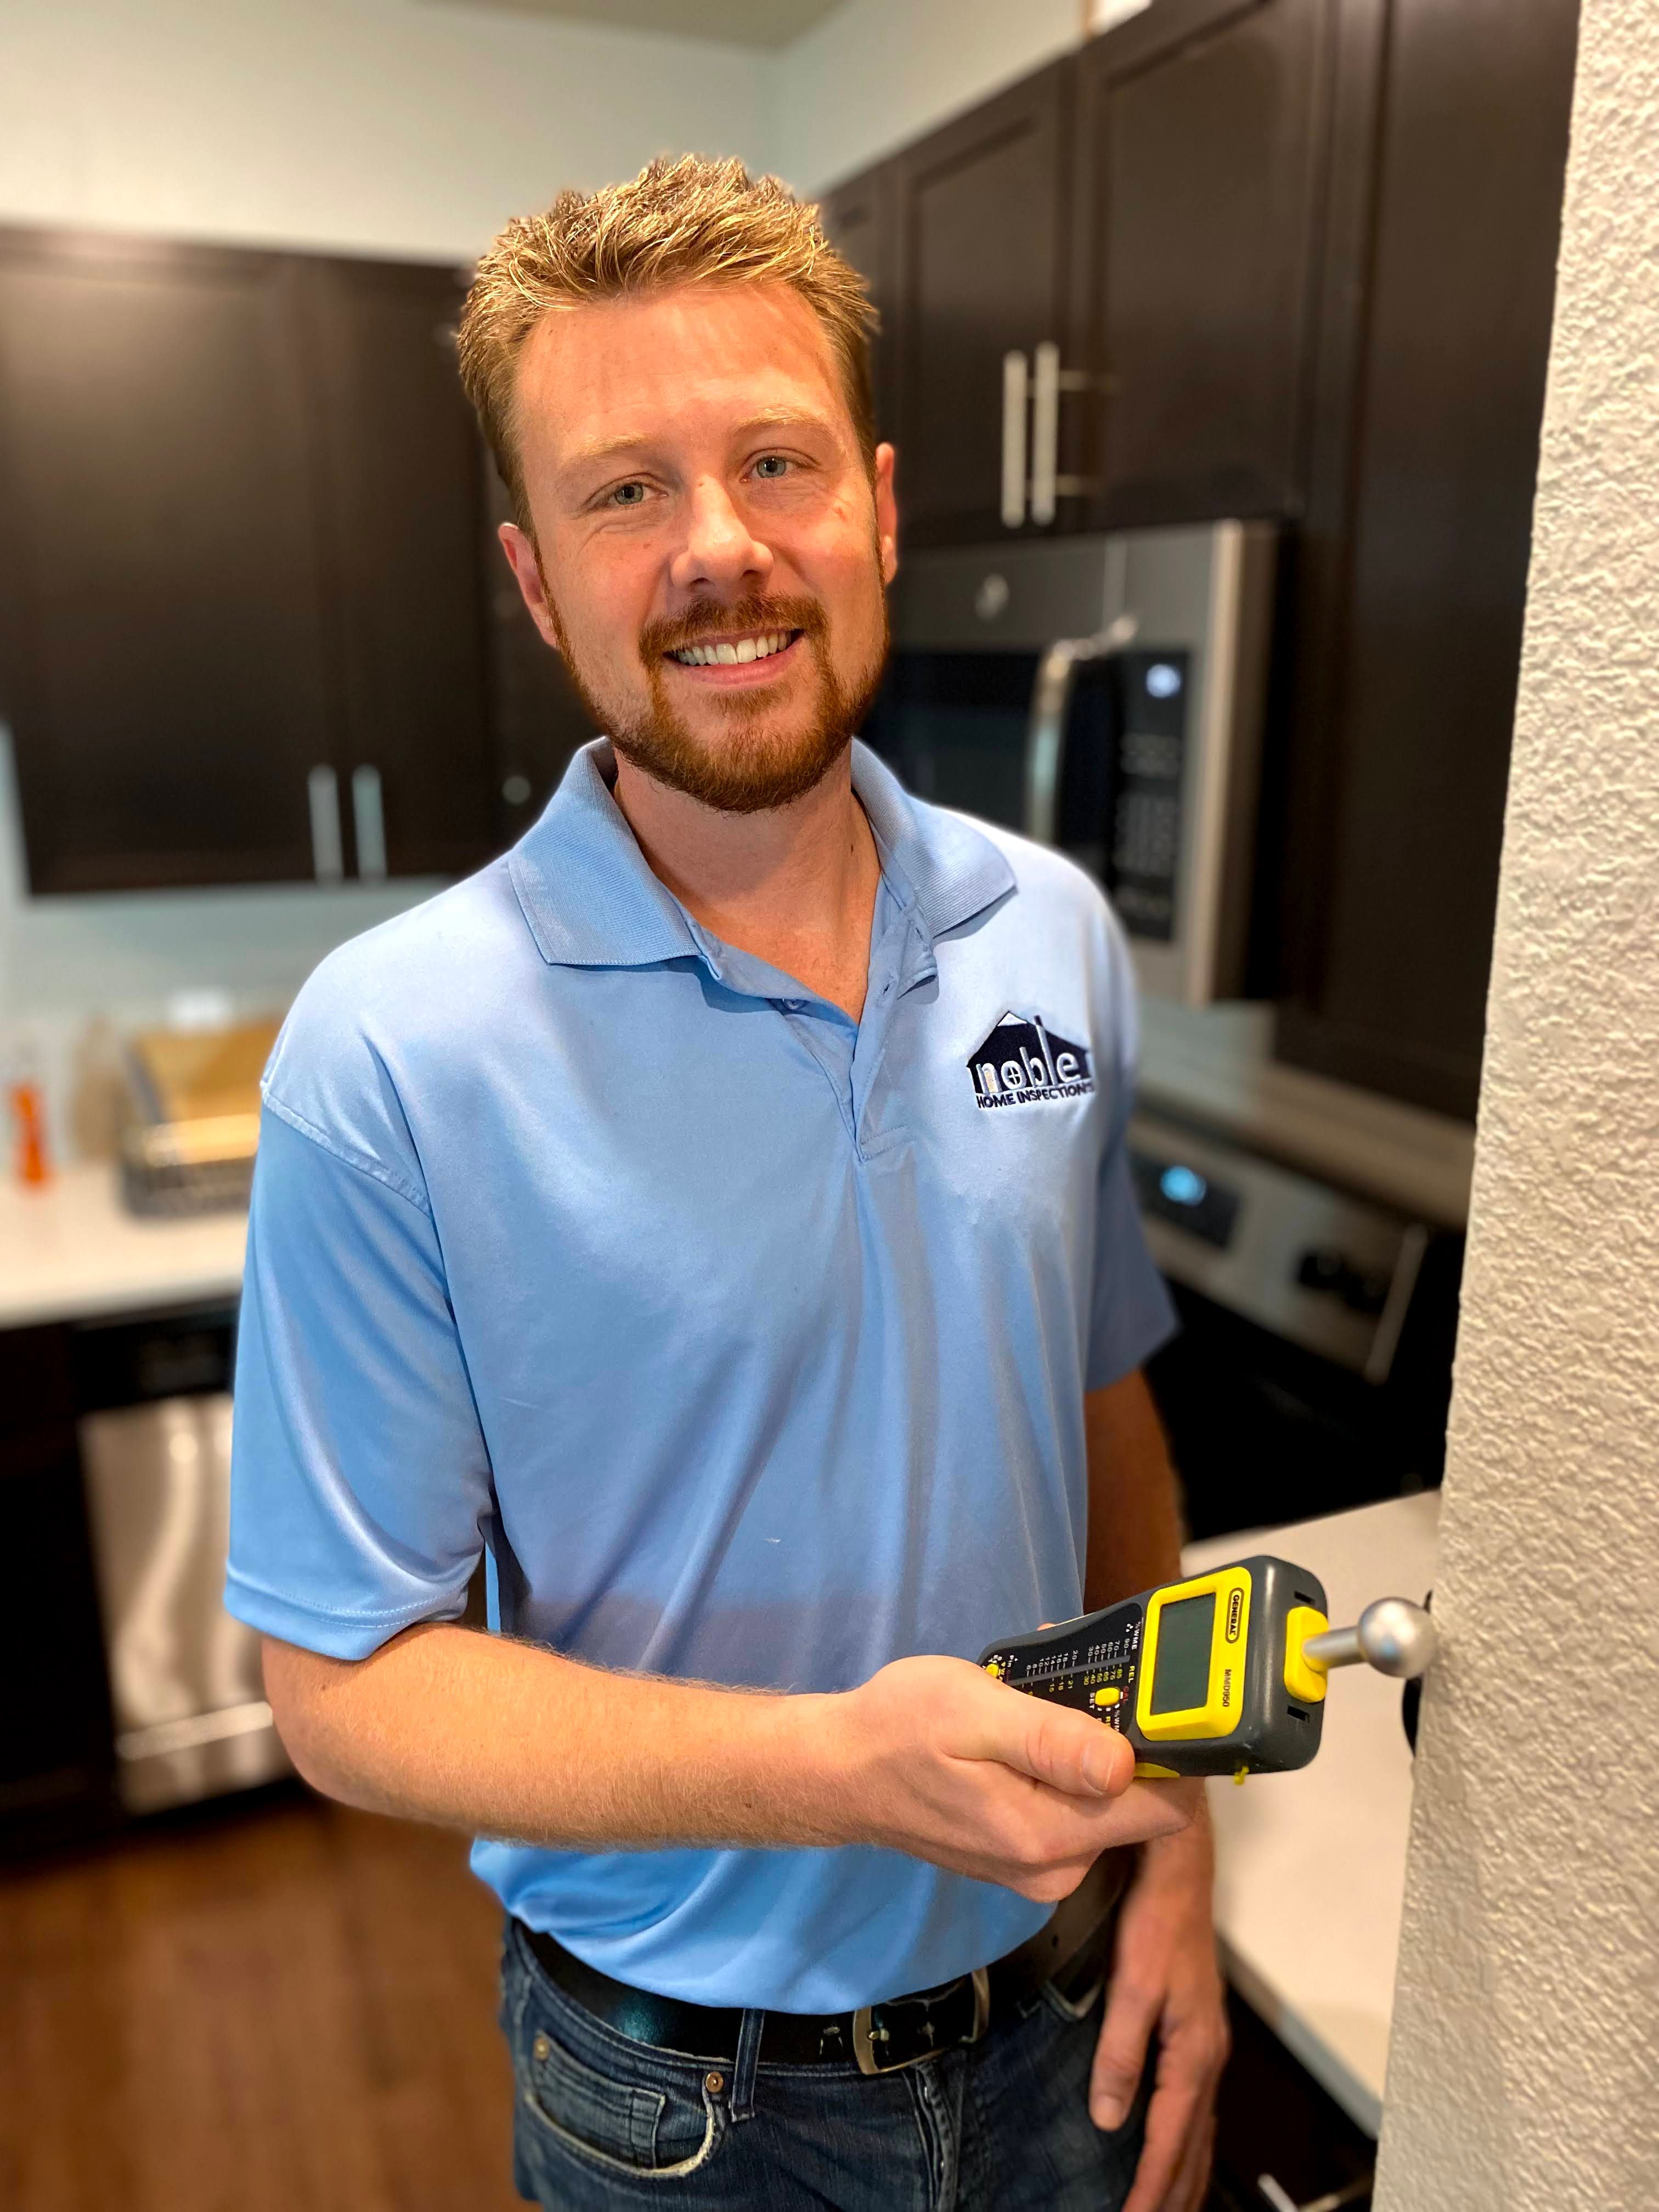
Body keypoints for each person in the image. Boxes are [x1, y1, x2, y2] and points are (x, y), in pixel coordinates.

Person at [228, 155, 1227, 2212]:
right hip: (682, 2116)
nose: (718, 552)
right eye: (623, 492)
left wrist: (1180, 1835)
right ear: (535, 578)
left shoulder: (1047, 931)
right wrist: (837, 1768)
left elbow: (1099, 1417)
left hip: (1066, 2020)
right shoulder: (395, 1051)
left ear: (872, 498)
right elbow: (342, 1692)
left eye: (772, 461)